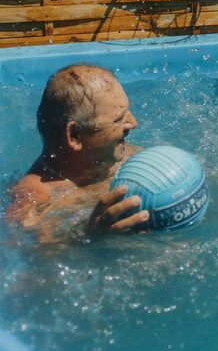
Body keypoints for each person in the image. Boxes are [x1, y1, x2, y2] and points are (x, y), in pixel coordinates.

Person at [4, 64, 147, 239]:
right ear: (75, 135)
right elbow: (34, 258)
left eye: (128, 110)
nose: (133, 123)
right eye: (119, 119)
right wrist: (88, 235)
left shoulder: (120, 156)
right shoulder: (34, 201)